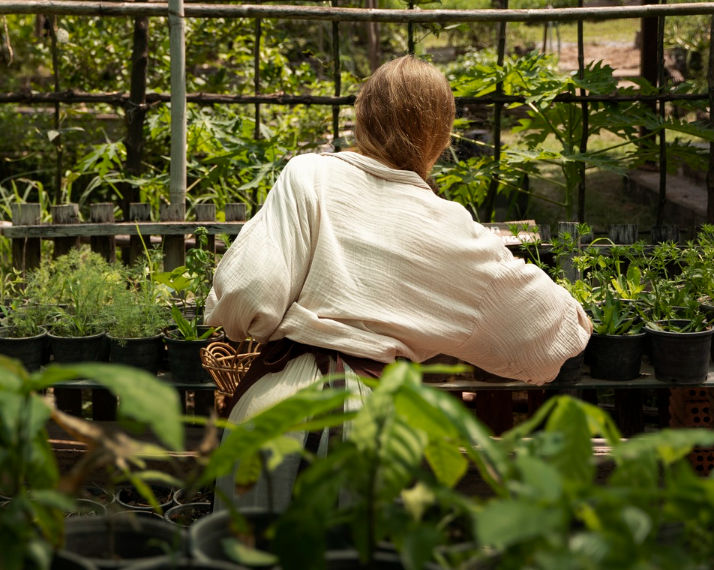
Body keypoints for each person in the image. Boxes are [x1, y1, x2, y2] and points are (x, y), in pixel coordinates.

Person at [203, 55, 590, 507]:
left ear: (360, 118)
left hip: (270, 417)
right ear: (441, 138)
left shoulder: (308, 175)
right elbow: (550, 336)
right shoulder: (450, 225)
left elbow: (245, 294)